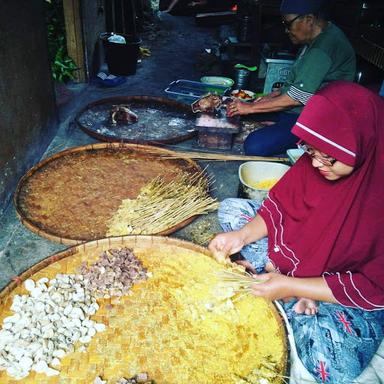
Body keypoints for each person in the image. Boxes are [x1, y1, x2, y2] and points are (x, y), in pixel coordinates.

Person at [209, 81, 384, 383]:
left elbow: (373, 284)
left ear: (363, 144)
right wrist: (240, 237)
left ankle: (286, 288)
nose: (316, 163)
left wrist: (296, 287)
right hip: (298, 257)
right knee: (231, 210)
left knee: (334, 368)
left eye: (328, 157)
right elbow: (280, 207)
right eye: (311, 150)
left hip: (342, 283)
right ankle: (281, 284)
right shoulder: (316, 161)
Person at [227, 0, 356, 156]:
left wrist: (250, 108)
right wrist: (272, 96)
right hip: (298, 109)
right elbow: (303, 80)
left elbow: (297, 99)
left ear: (308, 19)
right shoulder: (315, 37)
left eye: (288, 24)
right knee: (240, 113)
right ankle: (277, 124)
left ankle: (305, 144)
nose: (286, 30)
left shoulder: (322, 49)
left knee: (255, 145)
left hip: (317, 117)